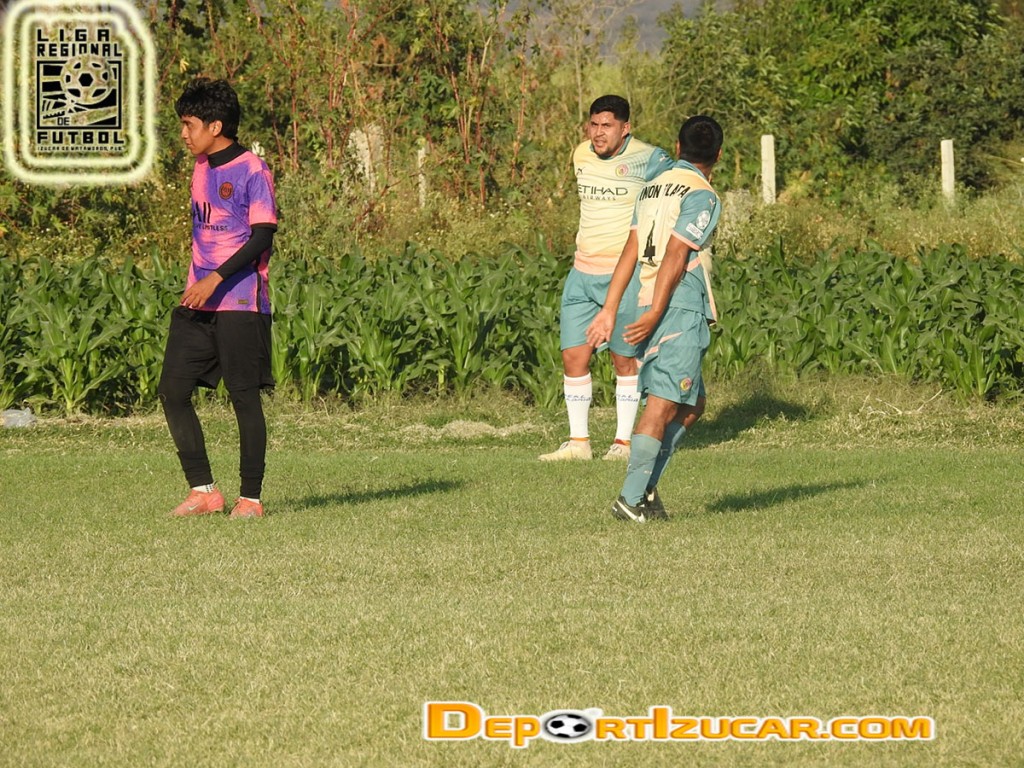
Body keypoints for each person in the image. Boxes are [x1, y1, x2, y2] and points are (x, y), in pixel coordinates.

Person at [586, 115, 723, 522]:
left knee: (693, 402)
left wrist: (610, 309)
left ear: (678, 148)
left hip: (644, 300)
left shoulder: (652, 188)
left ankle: (645, 489)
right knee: (662, 405)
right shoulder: (702, 194)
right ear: (718, 155)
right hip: (674, 304)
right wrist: (660, 312)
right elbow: (677, 255)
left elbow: (630, 251)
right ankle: (630, 500)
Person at [158, 77, 278, 518]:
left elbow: (262, 236)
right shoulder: (201, 167)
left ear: (215, 126)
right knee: (172, 390)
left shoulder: (253, 170)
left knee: (243, 396)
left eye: (188, 124)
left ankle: (251, 499)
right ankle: (204, 491)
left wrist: (215, 279)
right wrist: (201, 281)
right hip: (199, 301)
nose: (183, 134)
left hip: (240, 301)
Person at [540, 95, 676, 463]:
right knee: (573, 355)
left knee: (623, 358)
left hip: (625, 274)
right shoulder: (580, 155)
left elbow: (676, 189)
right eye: (594, 125)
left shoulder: (651, 158)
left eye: (607, 126)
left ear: (625, 128)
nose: (598, 133)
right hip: (582, 271)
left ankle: (623, 444)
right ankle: (579, 443)